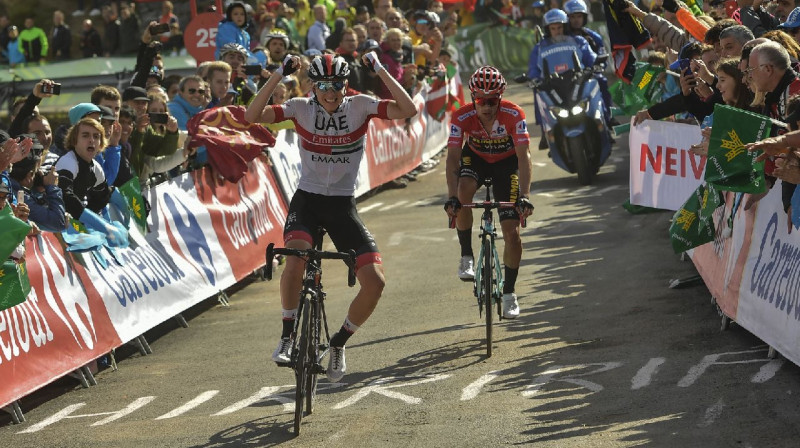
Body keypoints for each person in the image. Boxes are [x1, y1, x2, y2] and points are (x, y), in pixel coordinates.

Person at [245, 52, 417, 382]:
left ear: (345, 84)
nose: (330, 91)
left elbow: (408, 109)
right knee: (295, 259)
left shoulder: (361, 106)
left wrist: (380, 68)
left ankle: (337, 344)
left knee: (375, 282)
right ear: (313, 86)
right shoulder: (299, 108)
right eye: (323, 84)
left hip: (341, 204)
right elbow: (251, 115)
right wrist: (278, 74)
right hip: (307, 201)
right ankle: (286, 333)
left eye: (336, 84)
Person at [443, 66, 533, 320]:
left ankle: (509, 293)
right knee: (463, 194)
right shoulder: (461, 117)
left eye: (493, 101)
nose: (487, 107)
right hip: (477, 160)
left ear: (501, 98)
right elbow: (452, 160)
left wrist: (524, 195)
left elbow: (524, 157)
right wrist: (451, 196)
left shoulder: (514, 114)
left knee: (512, 235)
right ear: (473, 98)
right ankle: (466, 256)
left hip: (507, 165)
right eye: (481, 101)